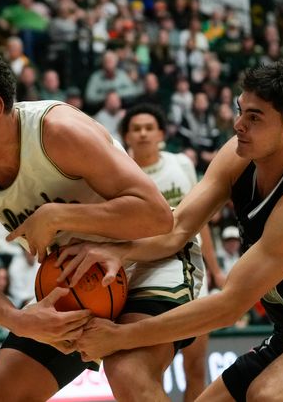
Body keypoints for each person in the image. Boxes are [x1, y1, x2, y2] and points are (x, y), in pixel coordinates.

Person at [71, 60, 283, 402]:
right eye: (240, 111)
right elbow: (177, 228)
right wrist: (118, 250)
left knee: (269, 396)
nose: (238, 124)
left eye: (254, 117)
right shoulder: (239, 154)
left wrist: (122, 336)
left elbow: (228, 307)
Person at [0, 49, 184, 402]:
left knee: (128, 376)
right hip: (74, 281)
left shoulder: (56, 132)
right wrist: (19, 320)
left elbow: (157, 216)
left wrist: (57, 215)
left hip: (148, 258)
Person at [116, 102, 218, 400]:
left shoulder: (181, 164)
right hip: (145, 272)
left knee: (196, 364)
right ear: (127, 137)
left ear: (161, 133)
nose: (144, 134)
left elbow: (200, 224)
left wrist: (215, 270)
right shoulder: (119, 173)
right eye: (136, 129)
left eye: (149, 128)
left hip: (190, 267)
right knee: (149, 366)